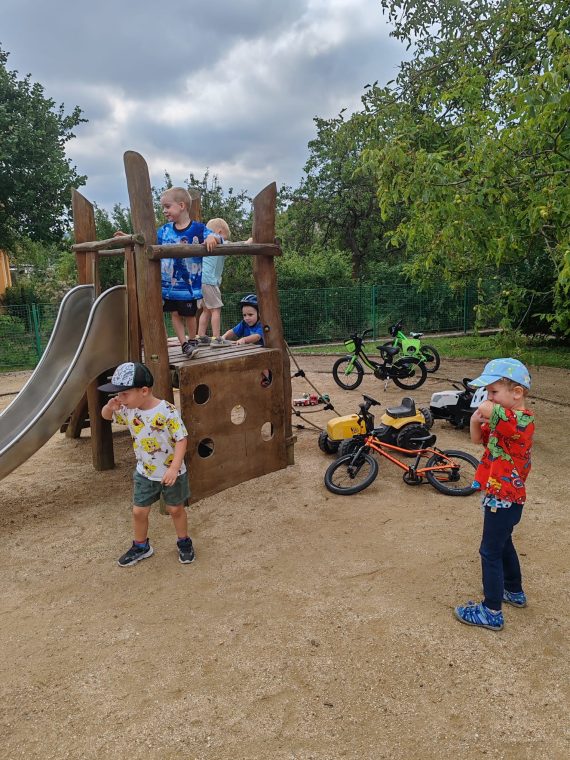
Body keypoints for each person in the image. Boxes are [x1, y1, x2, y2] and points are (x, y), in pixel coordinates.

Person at [454, 358, 535, 631]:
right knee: (503, 543)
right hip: (500, 497)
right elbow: (478, 438)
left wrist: (488, 407)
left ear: (517, 392)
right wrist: (474, 420)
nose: (488, 398)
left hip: (505, 499)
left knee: (489, 552)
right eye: (487, 392)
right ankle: (513, 590)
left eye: (493, 391)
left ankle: (491, 611)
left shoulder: (521, 421)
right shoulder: (503, 421)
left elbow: (497, 414)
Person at [99, 361, 195, 567]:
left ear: (143, 391)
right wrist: (109, 407)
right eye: (118, 394)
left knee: (175, 509)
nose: (120, 398)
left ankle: (184, 542)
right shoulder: (129, 410)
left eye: (124, 394)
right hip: (145, 472)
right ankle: (141, 546)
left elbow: (181, 439)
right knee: (139, 512)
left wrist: (174, 468)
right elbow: (106, 417)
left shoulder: (167, 411)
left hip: (172, 473)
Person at [157, 187, 221, 356]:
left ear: (182, 205)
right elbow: (149, 241)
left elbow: (218, 236)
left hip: (189, 285)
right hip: (170, 286)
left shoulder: (198, 229)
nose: (164, 211)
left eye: (167, 206)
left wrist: (211, 238)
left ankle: (192, 339)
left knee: (190, 314)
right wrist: (132, 237)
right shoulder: (165, 230)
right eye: (163, 207)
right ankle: (184, 344)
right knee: (175, 314)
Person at [196, 217, 230, 345]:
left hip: (200, 281)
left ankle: (201, 336)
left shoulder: (205, 242)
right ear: (220, 232)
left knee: (206, 310)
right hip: (209, 281)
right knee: (216, 309)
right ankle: (217, 338)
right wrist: (249, 241)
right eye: (225, 236)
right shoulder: (216, 241)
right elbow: (219, 239)